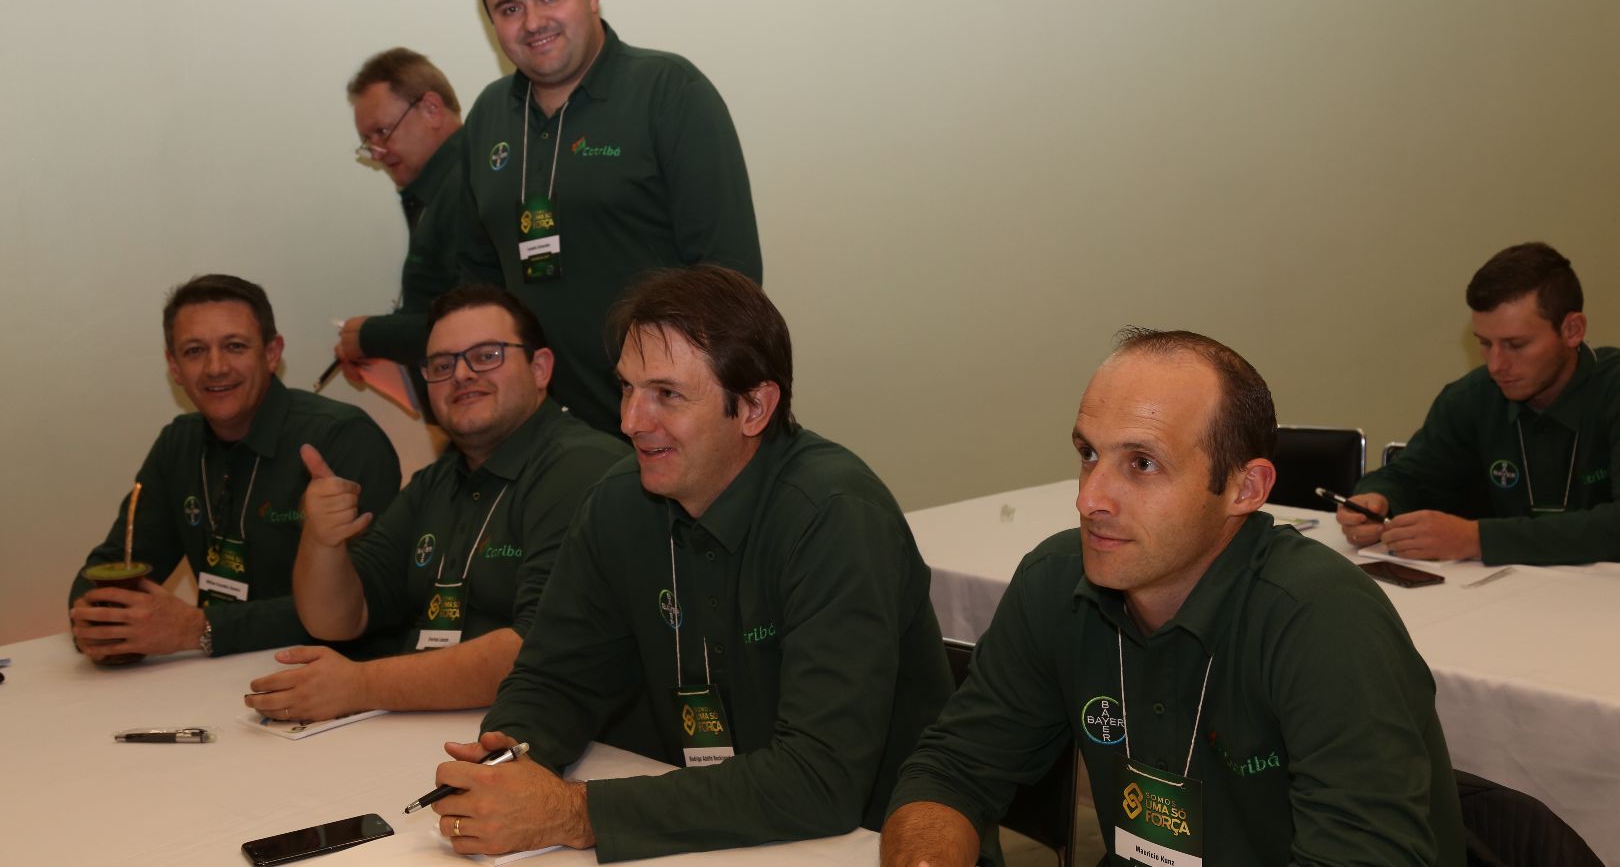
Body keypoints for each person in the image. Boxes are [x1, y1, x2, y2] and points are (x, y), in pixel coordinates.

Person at [425, 266, 951, 861]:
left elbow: (819, 780)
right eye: (627, 389)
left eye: (667, 395)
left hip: (865, 845)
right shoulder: (619, 502)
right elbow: (555, 680)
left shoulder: (835, 517)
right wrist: (505, 763)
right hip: (704, 833)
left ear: (754, 407)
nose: (630, 421)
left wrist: (574, 812)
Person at [882, 329, 1465, 867]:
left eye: (1142, 463)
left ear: (1245, 488)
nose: (1089, 499)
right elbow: (954, 770)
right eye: (1088, 454)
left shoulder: (1324, 620)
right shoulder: (1057, 583)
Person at [244, 285, 627, 723]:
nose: (461, 375)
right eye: (442, 365)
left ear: (540, 368)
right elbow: (337, 620)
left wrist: (360, 685)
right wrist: (321, 540)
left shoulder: (583, 468)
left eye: (486, 356)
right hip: (428, 725)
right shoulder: (437, 480)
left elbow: (537, 651)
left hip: (540, 737)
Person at [456, 0, 761, 435]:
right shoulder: (487, 116)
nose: (533, 22)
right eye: (509, 8)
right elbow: (476, 276)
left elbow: (730, 277)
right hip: (541, 435)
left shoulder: (670, 91)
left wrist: (673, 410)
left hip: (663, 425)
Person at [69, 275, 401, 661]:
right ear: (174, 367)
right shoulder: (177, 445)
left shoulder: (343, 438)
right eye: (194, 351)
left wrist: (200, 628)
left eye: (235, 346)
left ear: (272, 353)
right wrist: (98, 621)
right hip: (213, 675)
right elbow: (115, 563)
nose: (216, 367)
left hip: (333, 673)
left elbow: (364, 600)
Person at [1337, 242, 1620, 565]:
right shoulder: (1472, 396)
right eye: (1485, 344)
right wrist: (1375, 500)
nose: (1496, 365)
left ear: (1572, 330)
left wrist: (1477, 539)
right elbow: (1409, 476)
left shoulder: (1611, 388)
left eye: (1516, 344)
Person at [335, 47, 468, 414]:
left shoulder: (466, 188)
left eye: (383, 132)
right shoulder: (437, 192)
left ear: (431, 109)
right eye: (368, 141)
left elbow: (473, 320)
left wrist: (371, 336)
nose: (377, 152)